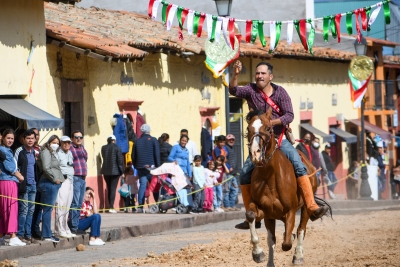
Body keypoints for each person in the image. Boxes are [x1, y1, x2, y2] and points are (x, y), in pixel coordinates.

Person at [229, 60, 328, 229]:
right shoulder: (251, 90)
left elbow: (289, 115)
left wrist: (270, 122)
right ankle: (250, 217)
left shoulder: (280, 92)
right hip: (259, 141)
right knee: (245, 172)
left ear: (270, 76)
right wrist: (236, 74)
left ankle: (311, 205)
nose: (259, 76)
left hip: (279, 139)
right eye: (257, 73)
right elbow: (233, 90)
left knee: (299, 165)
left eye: (263, 73)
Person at [37, 135, 65, 243]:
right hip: (48, 183)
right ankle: (46, 234)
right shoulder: (45, 152)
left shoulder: (53, 153)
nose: (56, 145)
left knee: (49, 209)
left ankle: (48, 233)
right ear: (49, 142)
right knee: (47, 209)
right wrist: (55, 179)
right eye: (54, 142)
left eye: (57, 143)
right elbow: (46, 167)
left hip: (53, 183)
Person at [0, 129, 26, 246]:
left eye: (12, 138)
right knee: (11, 208)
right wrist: (20, 176)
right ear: (2, 137)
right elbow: (10, 167)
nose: (10, 140)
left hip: (6, 181)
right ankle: (13, 236)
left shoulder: (6, 150)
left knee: (5, 208)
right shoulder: (4, 150)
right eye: (8, 138)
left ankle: (2, 235)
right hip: (8, 181)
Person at [15, 129, 40, 244]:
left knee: (31, 211)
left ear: (35, 139)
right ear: (23, 139)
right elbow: (14, 168)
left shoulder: (34, 152)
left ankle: (28, 234)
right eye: (28, 138)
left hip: (33, 185)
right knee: (23, 211)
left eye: (32, 138)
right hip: (23, 186)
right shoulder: (19, 151)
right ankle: (20, 234)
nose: (30, 140)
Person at [131, 124, 160, 213]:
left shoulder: (137, 141)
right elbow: (157, 154)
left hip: (141, 167)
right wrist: (158, 167)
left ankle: (140, 206)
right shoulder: (153, 140)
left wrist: (136, 165)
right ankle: (158, 204)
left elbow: (133, 156)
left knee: (142, 185)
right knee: (154, 185)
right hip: (152, 167)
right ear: (149, 131)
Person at [54, 136, 75, 238]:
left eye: (68, 142)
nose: (67, 144)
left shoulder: (70, 153)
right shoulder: (58, 153)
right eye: (64, 142)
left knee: (67, 207)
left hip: (70, 181)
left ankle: (66, 228)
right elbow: (55, 167)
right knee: (61, 205)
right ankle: (59, 229)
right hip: (63, 181)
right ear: (61, 143)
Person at [69, 130, 88, 235]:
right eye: (76, 137)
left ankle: (75, 225)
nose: (79, 139)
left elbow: (85, 160)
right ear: (72, 139)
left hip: (83, 178)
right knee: (75, 203)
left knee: (79, 203)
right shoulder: (71, 148)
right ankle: (73, 226)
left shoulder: (83, 149)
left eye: (80, 137)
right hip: (75, 177)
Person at [168, 134, 193, 210]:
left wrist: (190, 173)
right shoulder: (175, 147)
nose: (183, 142)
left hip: (184, 172)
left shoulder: (187, 150)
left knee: (186, 189)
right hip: (177, 171)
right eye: (182, 140)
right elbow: (169, 157)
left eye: (185, 141)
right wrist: (173, 160)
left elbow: (188, 163)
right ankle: (178, 205)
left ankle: (186, 204)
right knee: (179, 188)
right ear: (180, 140)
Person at [101, 134, 124, 213]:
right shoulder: (117, 148)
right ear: (114, 140)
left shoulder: (103, 148)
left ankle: (109, 206)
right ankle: (111, 206)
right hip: (115, 171)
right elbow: (120, 161)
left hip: (105, 171)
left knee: (109, 188)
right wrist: (122, 172)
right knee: (113, 188)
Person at [224, 134, 240, 211]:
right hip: (228, 174)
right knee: (227, 190)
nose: (231, 141)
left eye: (232, 140)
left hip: (233, 174)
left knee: (234, 190)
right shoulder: (225, 148)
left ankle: (232, 205)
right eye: (229, 140)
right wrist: (228, 167)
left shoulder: (231, 148)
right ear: (226, 141)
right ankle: (227, 206)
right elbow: (223, 159)